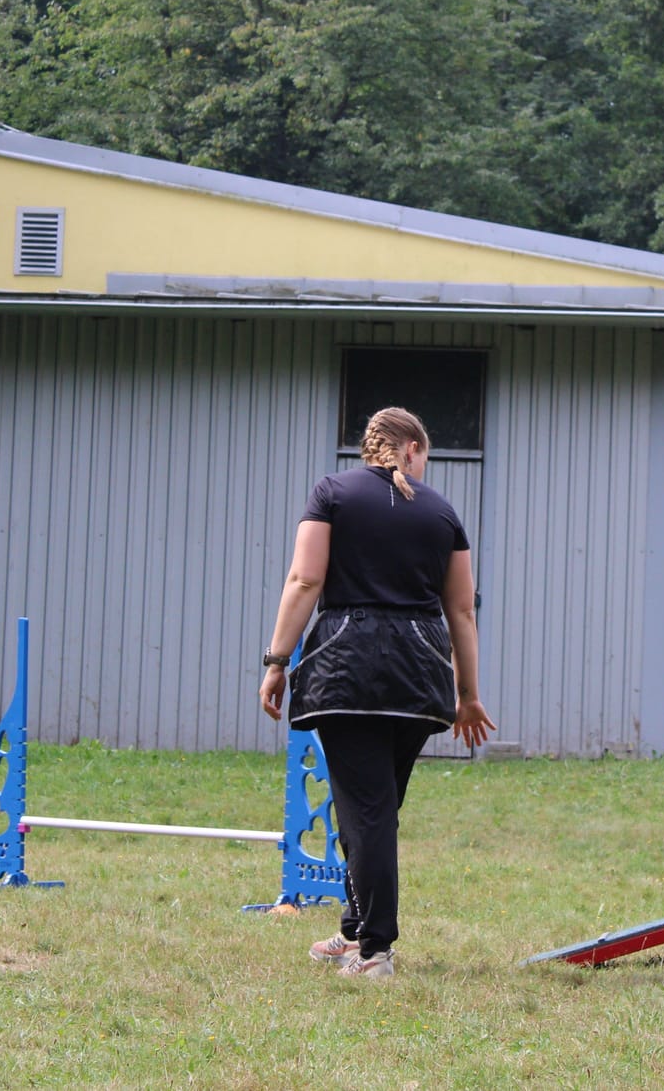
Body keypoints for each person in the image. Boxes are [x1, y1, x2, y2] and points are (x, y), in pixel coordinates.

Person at [257, 406, 496, 980]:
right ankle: (353, 930)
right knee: (374, 809)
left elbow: (305, 579)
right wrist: (467, 694)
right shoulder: (442, 512)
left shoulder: (332, 494)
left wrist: (276, 661)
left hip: (349, 670)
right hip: (420, 676)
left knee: (366, 813)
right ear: (412, 449)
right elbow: (462, 610)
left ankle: (375, 951)